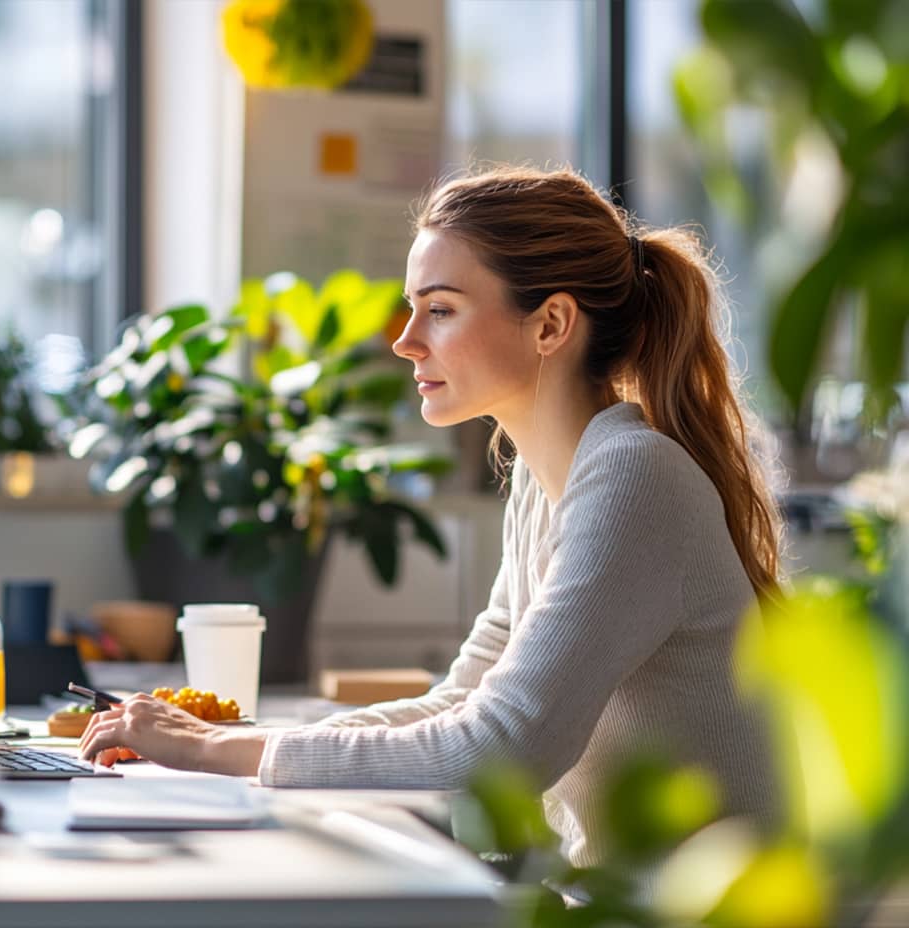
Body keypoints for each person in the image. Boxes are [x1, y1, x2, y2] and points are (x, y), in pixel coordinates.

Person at [79, 164, 782, 868]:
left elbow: (498, 751)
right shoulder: (549, 485)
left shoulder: (635, 477)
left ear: (552, 324)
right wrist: (216, 742)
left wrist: (211, 748)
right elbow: (457, 706)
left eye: (440, 309)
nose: (406, 340)